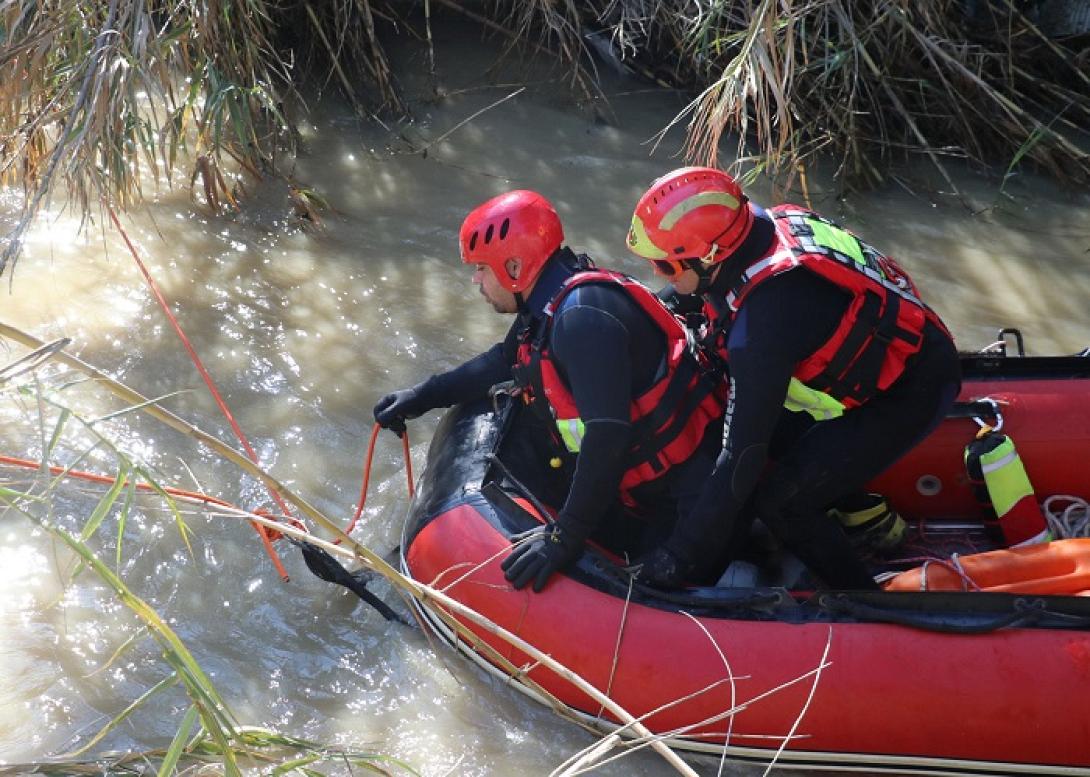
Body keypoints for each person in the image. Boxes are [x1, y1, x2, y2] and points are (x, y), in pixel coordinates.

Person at [373, 189, 727, 592]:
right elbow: (502, 361)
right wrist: (421, 396)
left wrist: (563, 539)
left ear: (514, 267)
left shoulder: (580, 319)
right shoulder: (551, 298)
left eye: (481, 269)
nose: (475, 280)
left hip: (691, 503)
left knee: (649, 586)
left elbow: (608, 437)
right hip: (648, 488)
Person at [625, 167, 962, 590]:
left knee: (782, 502)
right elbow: (691, 298)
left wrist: (679, 556)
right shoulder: (758, 228)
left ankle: (867, 601)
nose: (660, 273)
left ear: (711, 256)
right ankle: (859, 513)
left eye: (665, 264)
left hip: (912, 390)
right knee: (776, 433)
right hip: (891, 347)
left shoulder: (763, 325)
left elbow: (741, 455)